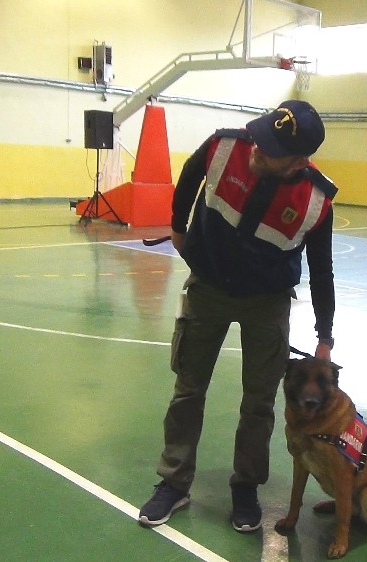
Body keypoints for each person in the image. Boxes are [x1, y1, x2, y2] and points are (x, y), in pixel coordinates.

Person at [138, 100, 338, 530]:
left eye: (271, 150)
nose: (258, 148)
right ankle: (174, 482)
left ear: (298, 162)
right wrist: (178, 227)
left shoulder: (315, 200)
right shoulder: (226, 146)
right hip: (208, 290)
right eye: (262, 136)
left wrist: (325, 334)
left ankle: (246, 486)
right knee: (188, 390)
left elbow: (322, 269)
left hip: (267, 302)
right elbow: (189, 174)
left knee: (259, 403)